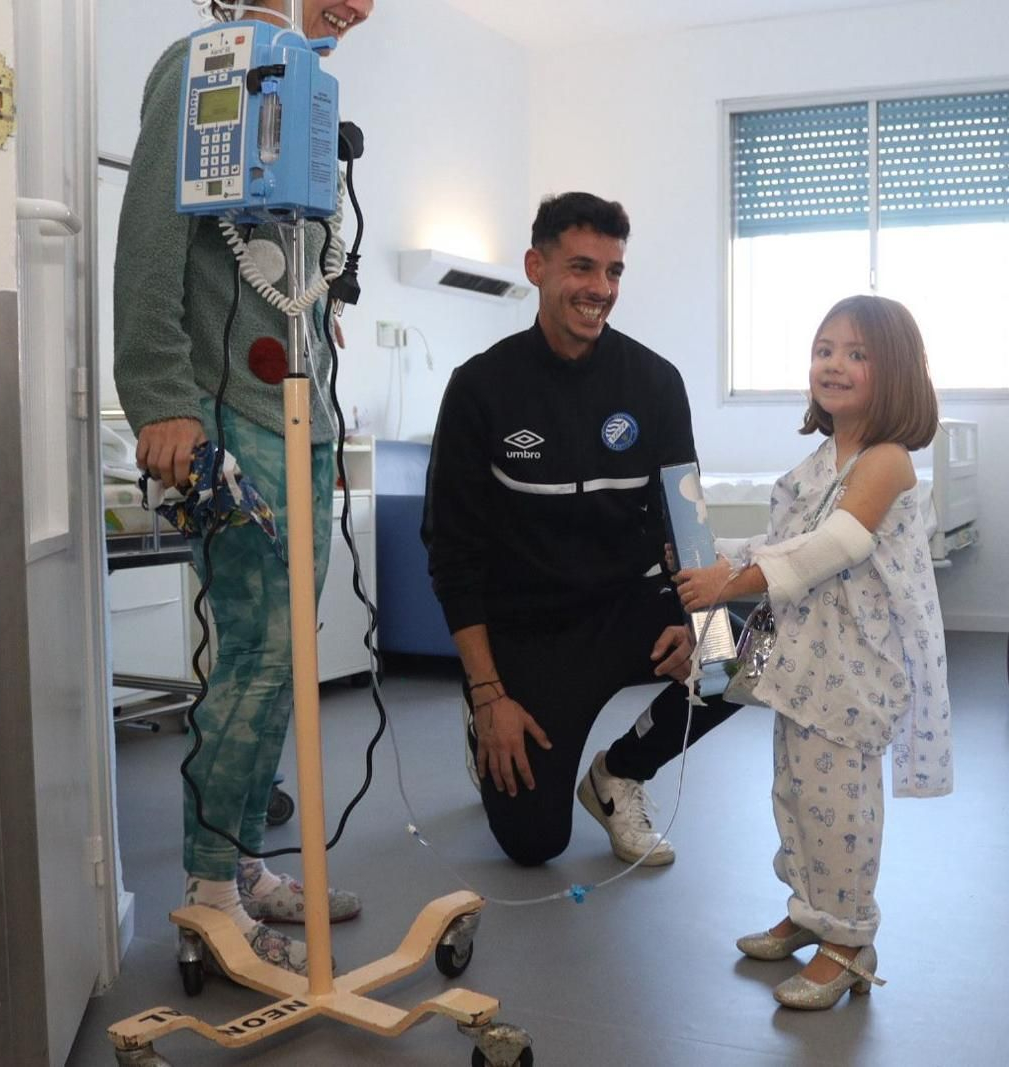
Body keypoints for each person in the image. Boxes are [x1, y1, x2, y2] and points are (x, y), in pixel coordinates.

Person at [113, 0, 375, 975]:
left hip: (295, 411)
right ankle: (212, 895)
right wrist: (159, 398)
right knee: (259, 657)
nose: (362, 5)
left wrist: (311, 319)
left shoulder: (296, 86)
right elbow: (147, 240)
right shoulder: (202, 63)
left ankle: (245, 861)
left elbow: (269, 258)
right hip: (221, 416)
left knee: (281, 655)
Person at [423, 192, 742, 868]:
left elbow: (684, 522)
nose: (600, 289)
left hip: (627, 606)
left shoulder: (655, 383)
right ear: (536, 266)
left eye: (614, 272)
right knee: (535, 844)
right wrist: (489, 693)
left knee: (738, 654)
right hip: (528, 632)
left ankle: (620, 773)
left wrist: (697, 623)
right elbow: (452, 554)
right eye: (582, 268)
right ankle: (482, 717)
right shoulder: (480, 388)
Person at [673, 295, 953, 1009]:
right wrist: (726, 573)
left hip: (854, 671)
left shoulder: (887, 460)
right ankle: (809, 911)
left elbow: (837, 545)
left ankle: (850, 938)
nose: (834, 363)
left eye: (857, 353)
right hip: (806, 665)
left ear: (894, 375)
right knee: (796, 796)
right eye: (824, 348)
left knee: (843, 805)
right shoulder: (821, 458)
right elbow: (784, 541)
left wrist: (730, 579)